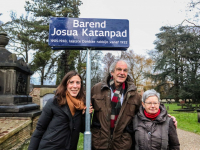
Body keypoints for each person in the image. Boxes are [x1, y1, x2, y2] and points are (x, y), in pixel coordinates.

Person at [28, 70, 93, 150]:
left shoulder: (82, 106)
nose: (75, 86)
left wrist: (85, 115)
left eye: (78, 83)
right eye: (71, 82)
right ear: (66, 84)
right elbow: (39, 129)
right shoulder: (54, 102)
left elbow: (83, 130)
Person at [91, 59, 142, 150]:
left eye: (125, 70)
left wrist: (165, 117)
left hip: (122, 144)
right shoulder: (97, 89)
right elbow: (83, 106)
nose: (122, 73)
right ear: (112, 72)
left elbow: (143, 114)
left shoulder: (134, 93)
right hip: (100, 142)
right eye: (119, 69)